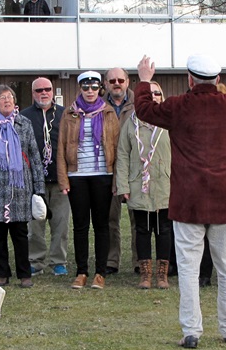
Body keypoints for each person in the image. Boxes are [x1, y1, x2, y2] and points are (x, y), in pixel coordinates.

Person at [135, 54, 226, 349]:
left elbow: (144, 109)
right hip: (222, 200)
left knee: (189, 269)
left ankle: (192, 331)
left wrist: (144, 80)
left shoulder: (178, 106)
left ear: (190, 79)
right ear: (218, 80)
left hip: (188, 200)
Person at [0, 85, 45, 288]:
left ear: (15, 101)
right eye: (3, 98)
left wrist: (39, 188)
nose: (7, 101)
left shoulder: (24, 124)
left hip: (20, 189)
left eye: (10, 97)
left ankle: (24, 274)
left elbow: (34, 156)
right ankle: (2, 274)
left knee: (20, 234)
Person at [56, 71, 121, 290]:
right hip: (77, 176)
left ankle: (100, 273)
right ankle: (81, 271)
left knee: (102, 225)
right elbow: (61, 147)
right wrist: (63, 179)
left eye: (94, 87)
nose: (90, 91)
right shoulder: (69, 113)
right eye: (86, 87)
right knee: (80, 225)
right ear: (80, 88)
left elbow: (117, 148)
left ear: (100, 89)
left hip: (103, 175)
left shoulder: (109, 112)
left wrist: (117, 181)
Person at [116, 80, 172, 290]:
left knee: (164, 229)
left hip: (165, 183)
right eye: (149, 93)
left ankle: (162, 274)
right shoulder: (131, 123)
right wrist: (123, 186)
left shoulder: (169, 121)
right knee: (142, 229)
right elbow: (123, 155)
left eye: (157, 93)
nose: (153, 96)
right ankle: (145, 274)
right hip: (139, 184)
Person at [20, 77, 71, 276]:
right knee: (34, 225)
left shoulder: (65, 114)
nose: (44, 93)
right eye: (39, 90)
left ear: (52, 91)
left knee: (61, 224)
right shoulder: (24, 117)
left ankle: (59, 261)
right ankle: (36, 260)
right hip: (34, 182)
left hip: (60, 180)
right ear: (33, 93)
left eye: (47, 89)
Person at [104, 66, 136, 275]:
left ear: (127, 82)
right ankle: (111, 260)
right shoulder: (98, 106)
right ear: (106, 83)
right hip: (108, 170)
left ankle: (139, 261)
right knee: (110, 218)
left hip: (134, 168)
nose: (117, 84)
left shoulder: (139, 104)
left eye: (120, 80)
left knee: (137, 218)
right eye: (112, 80)